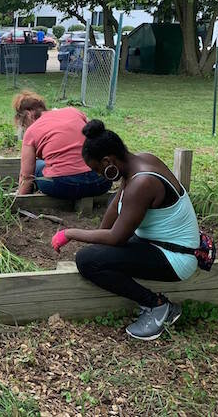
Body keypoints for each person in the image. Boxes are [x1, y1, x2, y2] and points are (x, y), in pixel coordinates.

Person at [52, 120, 200, 340]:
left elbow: (117, 238)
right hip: (159, 244)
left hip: (177, 257)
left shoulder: (143, 183)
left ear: (108, 161)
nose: (99, 175)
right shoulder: (139, 162)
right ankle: (157, 306)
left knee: (87, 261)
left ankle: (157, 306)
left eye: (97, 169)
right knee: (94, 253)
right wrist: (97, 243)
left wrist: (69, 233)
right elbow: (117, 203)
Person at [13, 90, 111, 199]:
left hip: (64, 186)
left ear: (28, 115)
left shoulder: (31, 131)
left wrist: (21, 198)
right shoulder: (74, 111)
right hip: (100, 182)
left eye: (23, 123)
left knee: (37, 165)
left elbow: (27, 176)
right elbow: (97, 136)